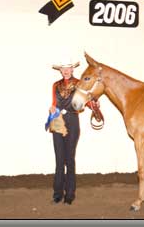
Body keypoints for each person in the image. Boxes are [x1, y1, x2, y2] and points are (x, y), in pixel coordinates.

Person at [49, 58, 99, 205]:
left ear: (72, 70)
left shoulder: (79, 83)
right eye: (63, 68)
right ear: (60, 70)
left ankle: (70, 194)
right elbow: (54, 102)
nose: (65, 71)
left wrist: (93, 104)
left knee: (69, 159)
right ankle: (57, 193)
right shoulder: (55, 85)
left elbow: (86, 100)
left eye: (68, 68)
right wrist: (51, 108)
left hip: (72, 120)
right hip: (57, 120)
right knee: (59, 160)